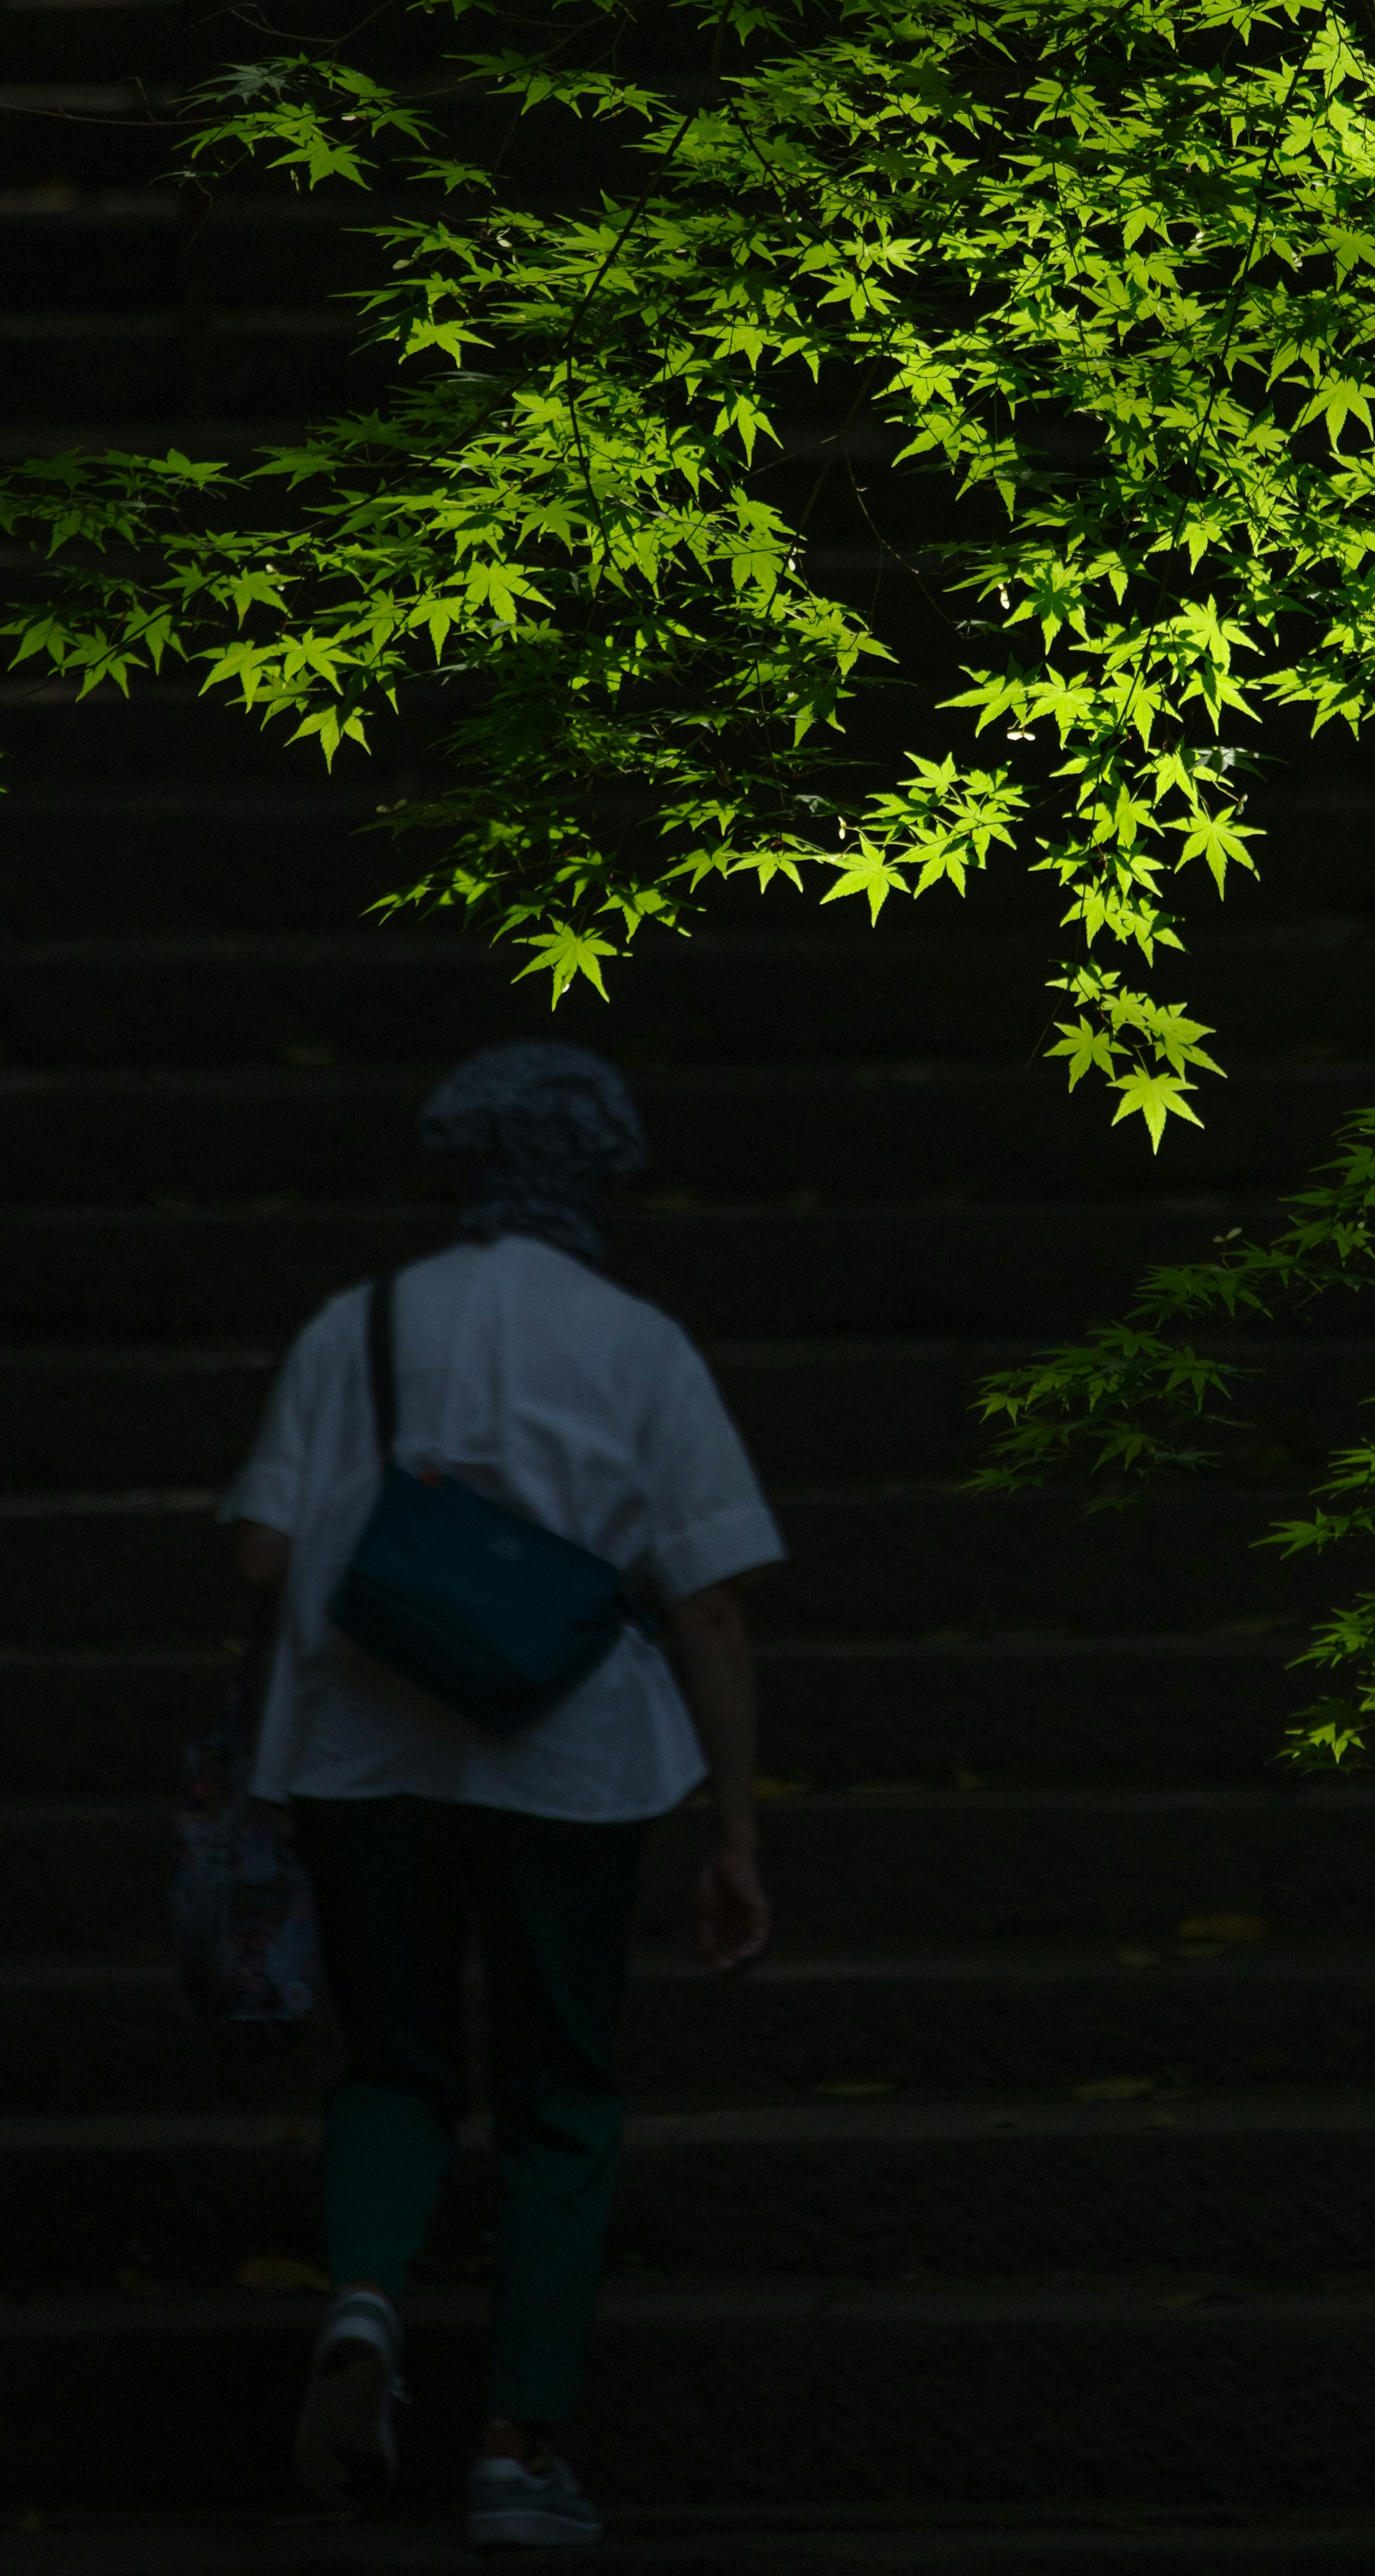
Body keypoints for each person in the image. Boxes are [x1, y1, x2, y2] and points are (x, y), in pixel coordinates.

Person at [218, 1039, 784, 2552]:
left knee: (394, 2058)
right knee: (560, 2093)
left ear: (457, 1166)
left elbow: (266, 1558)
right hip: (575, 1760)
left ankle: (363, 2297)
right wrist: (733, 1825)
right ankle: (520, 2455)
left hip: (357, 1749)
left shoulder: (359, 1323)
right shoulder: (642, 1344)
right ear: (603, 1170)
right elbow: (712, 1605)